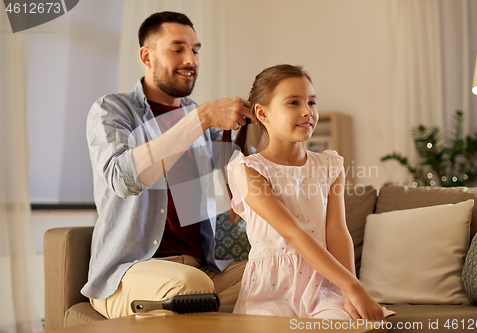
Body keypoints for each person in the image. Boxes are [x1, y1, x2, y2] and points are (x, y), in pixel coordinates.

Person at [82, 11, 253, 319]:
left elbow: (245, 174)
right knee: (190, 287)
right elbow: (122, 177)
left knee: (275, 275)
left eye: (196, 50)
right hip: (130, 273)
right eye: (177, 49)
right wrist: (199, 119)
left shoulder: (206, 124)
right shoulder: (112, 110)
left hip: (204, 269)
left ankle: (205, 311)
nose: (191, 59)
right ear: (146, 56)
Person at [227, 64, 394, 320]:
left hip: (325, 286)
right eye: (293, 103)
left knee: (346, 324)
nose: (308, 111)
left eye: (312, 102)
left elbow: (337, 232)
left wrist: (349, 289)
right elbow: (292, 233)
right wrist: (352, 286)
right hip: (271, 290)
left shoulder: (330, 165)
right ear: (262, 113)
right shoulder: (247, 169)